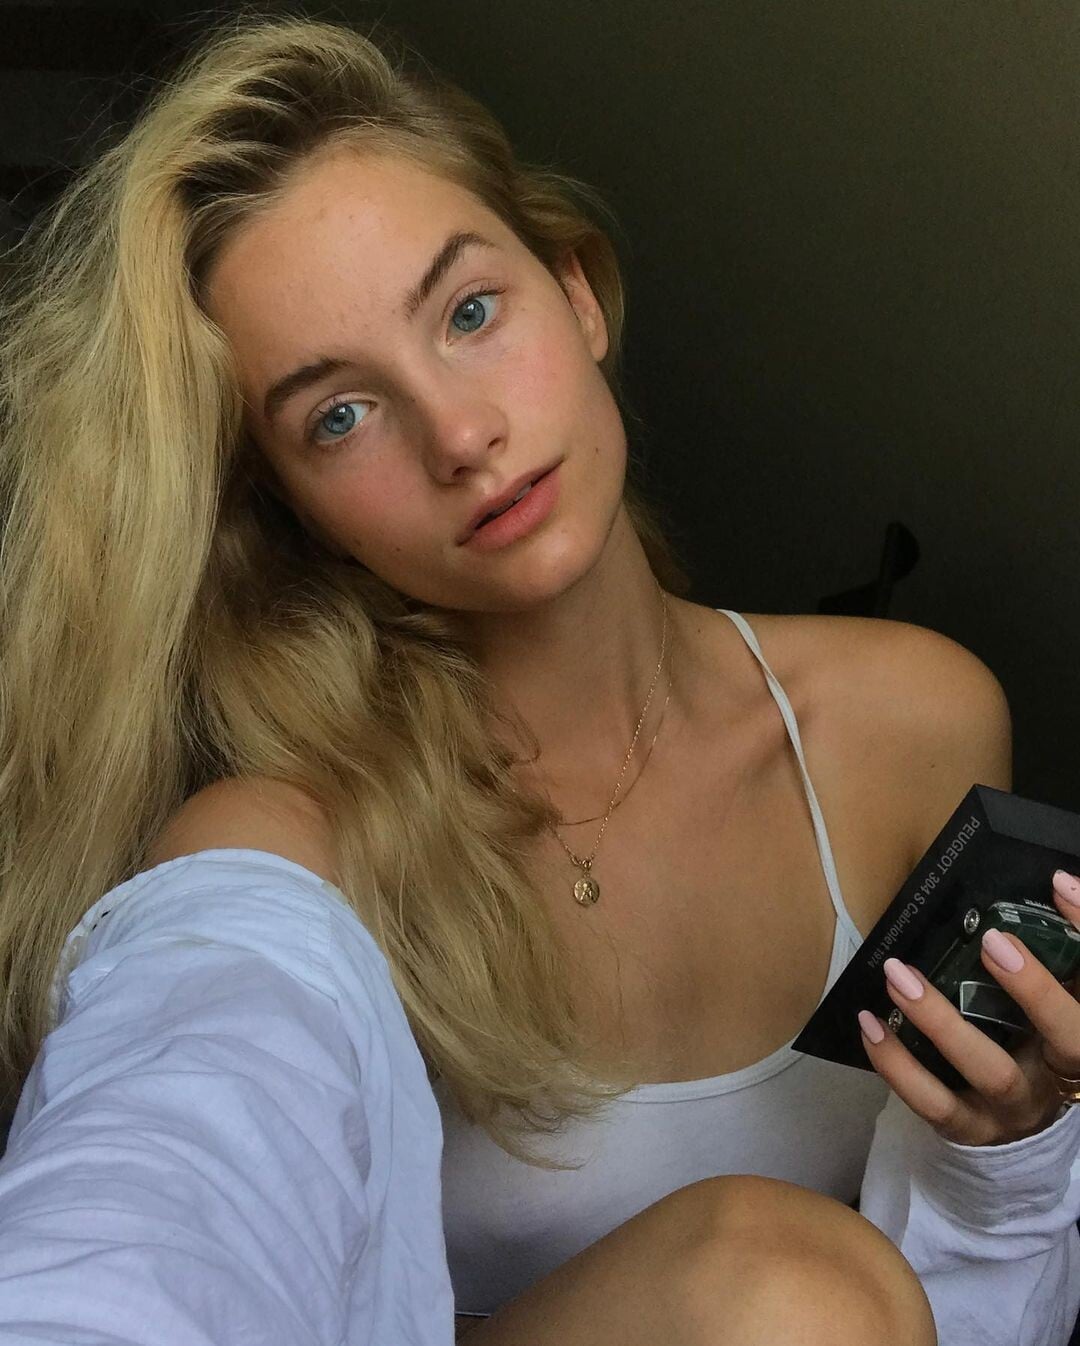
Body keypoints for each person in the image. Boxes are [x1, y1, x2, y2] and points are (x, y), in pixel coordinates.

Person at [0, 14, 1075, 1344]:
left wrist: (1011, 1145)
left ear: (578, 293)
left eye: (469, 312)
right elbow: (164, 1186)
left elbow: (968, 1290)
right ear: (287, 510)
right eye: (339, 415)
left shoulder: (916, 719)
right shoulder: (289, 851)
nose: (460, 435)